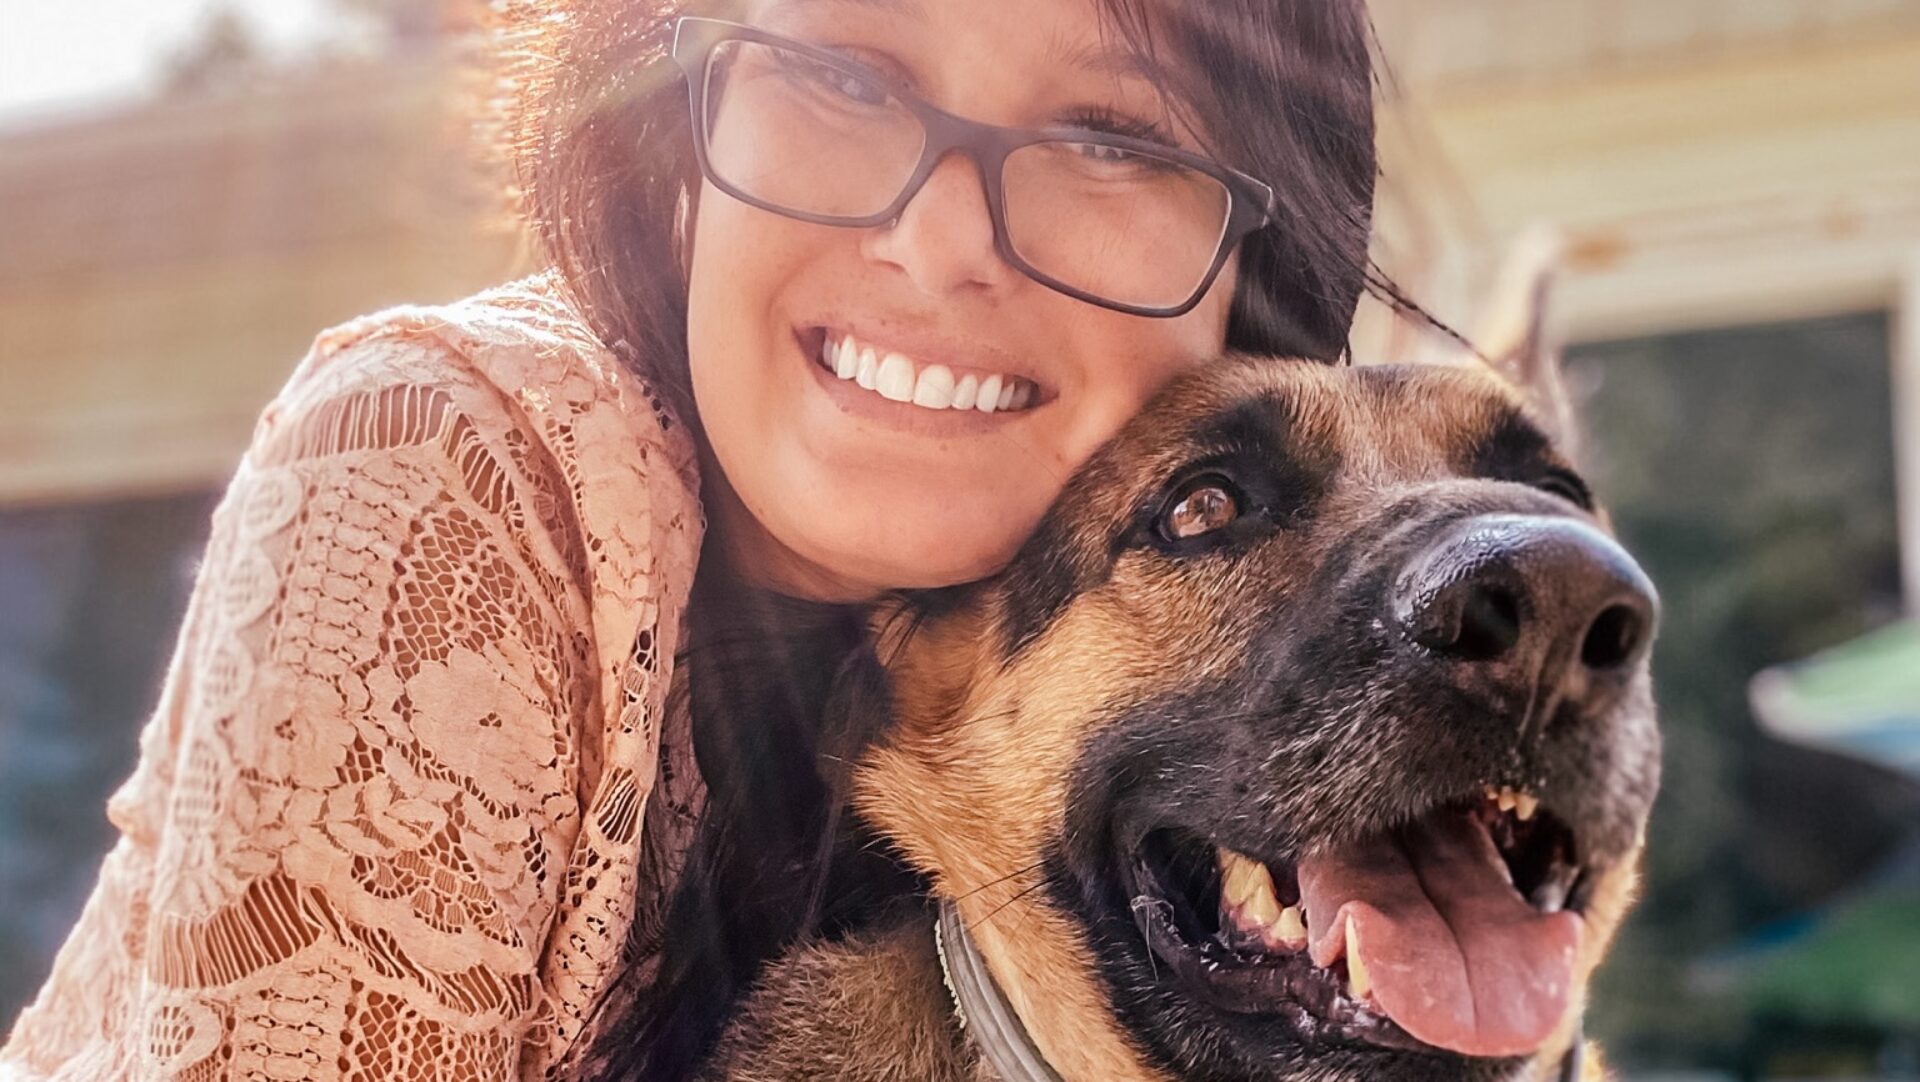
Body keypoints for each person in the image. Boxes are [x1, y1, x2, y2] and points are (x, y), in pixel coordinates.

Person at [0, 0, 1380, 1077]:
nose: (937, 234)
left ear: (1252, 288)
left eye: (1112, 136)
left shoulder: (1222, 685)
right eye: (847, 75)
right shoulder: (449, 467)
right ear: (673, 120)